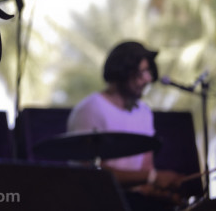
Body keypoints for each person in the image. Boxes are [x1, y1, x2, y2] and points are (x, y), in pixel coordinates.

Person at [67, 41, 185, 210]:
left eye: (149, 72)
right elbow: (90, 173)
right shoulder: (91, 108)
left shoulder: (144, 112)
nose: (148, 79)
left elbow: (146, 168)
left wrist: (157, 188)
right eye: (142, 72)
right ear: (122, 71)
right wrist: (152, 177)